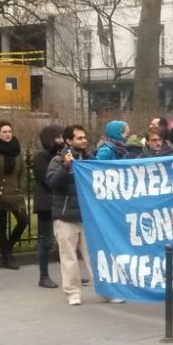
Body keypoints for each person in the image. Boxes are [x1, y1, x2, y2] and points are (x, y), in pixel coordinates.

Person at [46, 125, 123, 305]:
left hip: (88, 217)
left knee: (95, 256)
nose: (84, 140)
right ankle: (73, 293)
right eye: (79, 138)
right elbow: (52, 184)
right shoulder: (58, 161)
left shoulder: (90, 159)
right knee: (69, 258)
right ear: (69, 141)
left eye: (84, 137)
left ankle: (106, 291)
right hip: (65, 216)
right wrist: (66, 168)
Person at [0, 121, 30, 270]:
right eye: (4, 132)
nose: (8, 134)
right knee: (1, 226)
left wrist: (21, 188)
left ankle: (7, 248)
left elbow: (23, 171)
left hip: (15, 194)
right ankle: (6, 257)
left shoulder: (17, 151)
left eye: (9, 131)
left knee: (24, 220)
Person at [32, 125, 62, 288]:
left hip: (59, 200)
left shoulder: (62, 155)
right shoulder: (40, 157)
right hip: (46, 202)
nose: (61, 141)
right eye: (57, 138)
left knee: (64, 240)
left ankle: (68, 273)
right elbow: (46, 180)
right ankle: (43, 276)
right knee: (46, 240)